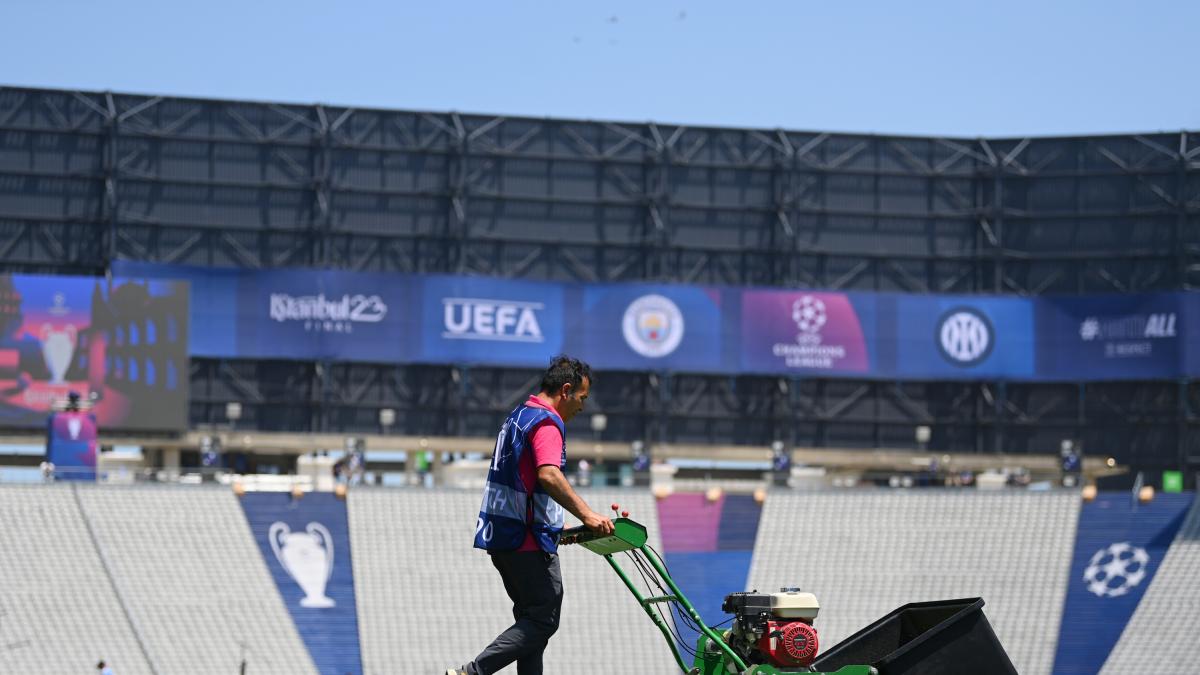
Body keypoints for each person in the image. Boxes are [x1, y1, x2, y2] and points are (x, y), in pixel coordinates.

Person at [448, 356, 614, 675]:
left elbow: (522, 478)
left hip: (502, 537)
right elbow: (548, 475)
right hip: (526, 542)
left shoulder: (519, 416)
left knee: (530, 627)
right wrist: (588, 514)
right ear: (566, 390)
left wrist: (552, 521)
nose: (583, 406)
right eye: (582, 397)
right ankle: (471, 672)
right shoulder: (548, 422)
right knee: (542, 621)